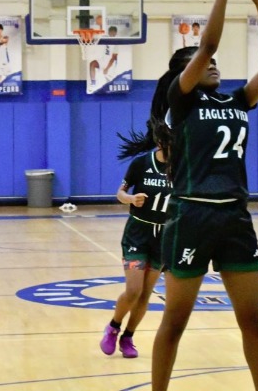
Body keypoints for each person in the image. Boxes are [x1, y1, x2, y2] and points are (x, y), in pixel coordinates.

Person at [149, 0, 258, 391]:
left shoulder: (239, 100)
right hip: (191, 213)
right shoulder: (182, 101)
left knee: (254, 322)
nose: (213, 64)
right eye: (203, 62)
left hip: (234, 216)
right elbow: (208, 45)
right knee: (175, 321)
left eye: (215, 63)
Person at [100, 120, 172, 359]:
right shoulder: (141, 163)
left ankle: (128, 336)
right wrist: (130, 199)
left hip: (163, 236)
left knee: (145, 294)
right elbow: (120, 193)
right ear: (161, 142)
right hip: (138, 233)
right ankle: (113, 327)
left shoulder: (182, 167)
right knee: (133, 290)